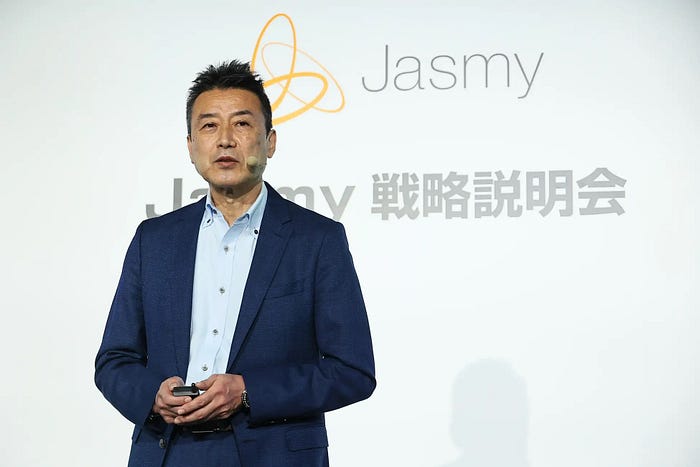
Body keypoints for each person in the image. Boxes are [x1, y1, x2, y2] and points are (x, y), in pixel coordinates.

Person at [95, 60, 376, 467]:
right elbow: (114, 361)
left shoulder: (317, 240)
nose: (225, 139)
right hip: (167, 450)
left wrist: (247, 391)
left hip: (270, 454)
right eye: (209, 126)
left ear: (270, 142)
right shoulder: (153, 240)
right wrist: (152, 395)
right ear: (191, 145)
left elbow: (352, 371)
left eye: (242, 124)